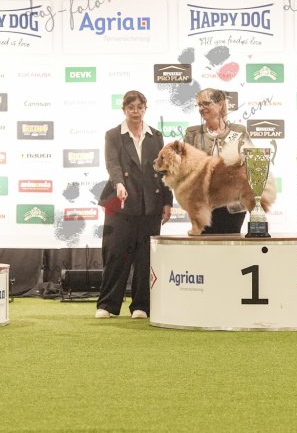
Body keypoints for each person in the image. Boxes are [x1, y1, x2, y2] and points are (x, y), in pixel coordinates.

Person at [95, 90, 173, 319]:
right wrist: (119, 183)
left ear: (145, 109)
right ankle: (107, 305)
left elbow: (165, 170)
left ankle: (141, 305)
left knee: (145, 257)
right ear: (124, 110)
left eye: (140, 107)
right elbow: (112, 164)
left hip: (150, 204)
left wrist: (167, 202)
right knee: (116, 255)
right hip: (120, 203)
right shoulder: (113, 135)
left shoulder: (155, 136)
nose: (136, 112)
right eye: (131, 107)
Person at [183, 88, 253, 234]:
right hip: (202, 205)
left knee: (231, 244)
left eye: (206, 103)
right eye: (199, 105)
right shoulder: (192, 134)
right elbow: (184, 168)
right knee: (203, 246)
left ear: (220, 104)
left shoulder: (239, 131)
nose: (201, 108)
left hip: (233, 205)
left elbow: (250, 164)